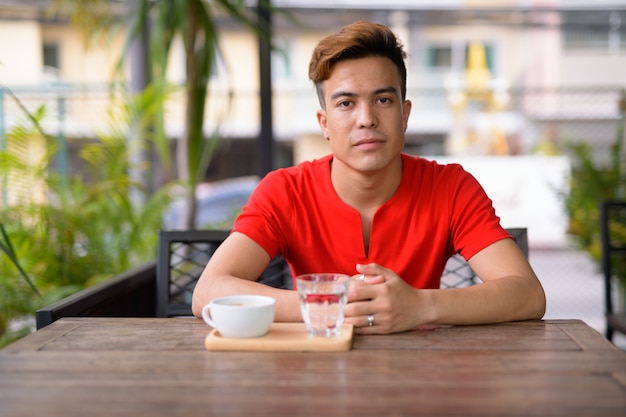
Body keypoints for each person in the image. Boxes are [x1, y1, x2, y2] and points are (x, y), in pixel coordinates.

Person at [191, 20, 546, 334]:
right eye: (346, 103)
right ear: (324, 123)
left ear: (405, 114)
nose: (366, 119)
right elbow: (209, 291)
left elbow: (527, 293)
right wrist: (332, 303)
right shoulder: (285, 190)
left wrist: (422, 306)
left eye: (383, 100)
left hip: (424, 380)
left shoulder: (451, 186)